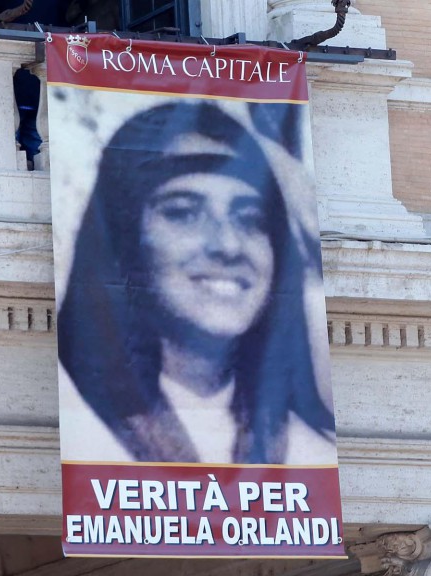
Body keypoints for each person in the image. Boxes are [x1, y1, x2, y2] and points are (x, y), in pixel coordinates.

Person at [57, 101, 335, 464]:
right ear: (124, 242)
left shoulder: (313, 456)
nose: (228, 245)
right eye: (183, 212)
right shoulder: (77, 426)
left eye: (250, 219)